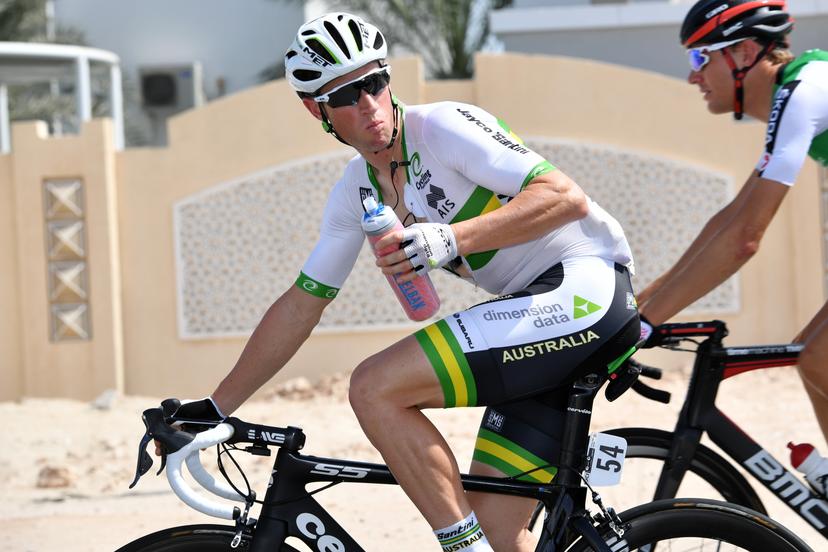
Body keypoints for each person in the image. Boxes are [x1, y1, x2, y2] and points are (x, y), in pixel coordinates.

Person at [171, 12, 640, 551]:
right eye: (347, 95)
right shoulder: (356, 193)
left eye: (375, 82)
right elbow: (303, 303)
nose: (369, 105)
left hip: (582, 288)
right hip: (543, 318)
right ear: (315, 109)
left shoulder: (442, 127)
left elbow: (563, 197)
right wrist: (217, 408)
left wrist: (451, 239)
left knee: (375, 387)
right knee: (498, 535)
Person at [637, 0, 828, 463]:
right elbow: (730, 217)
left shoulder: (801, 92)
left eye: (700, 58)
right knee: (814, 359)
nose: (692, 76)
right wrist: (643, 303)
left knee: (820, 358)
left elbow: (745, 236)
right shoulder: (799, 87)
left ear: (743, 53)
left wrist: (644, 326)